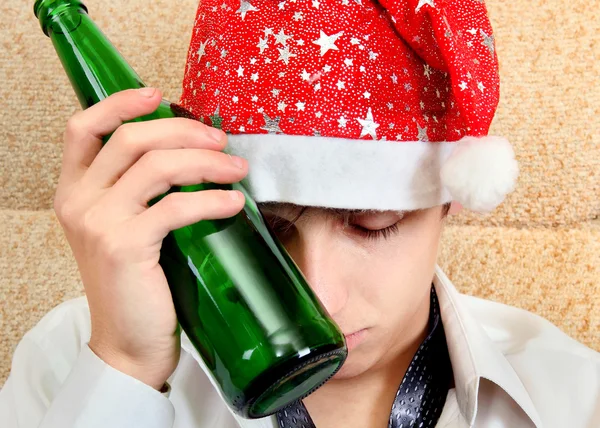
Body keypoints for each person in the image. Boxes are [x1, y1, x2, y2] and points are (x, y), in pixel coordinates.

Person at [1, 0, 599, 427]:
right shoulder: (74, 357)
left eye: (372, 224)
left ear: (447, 202)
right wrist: (125, 371)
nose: (320, 298)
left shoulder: (573, 397)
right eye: (265, 227)